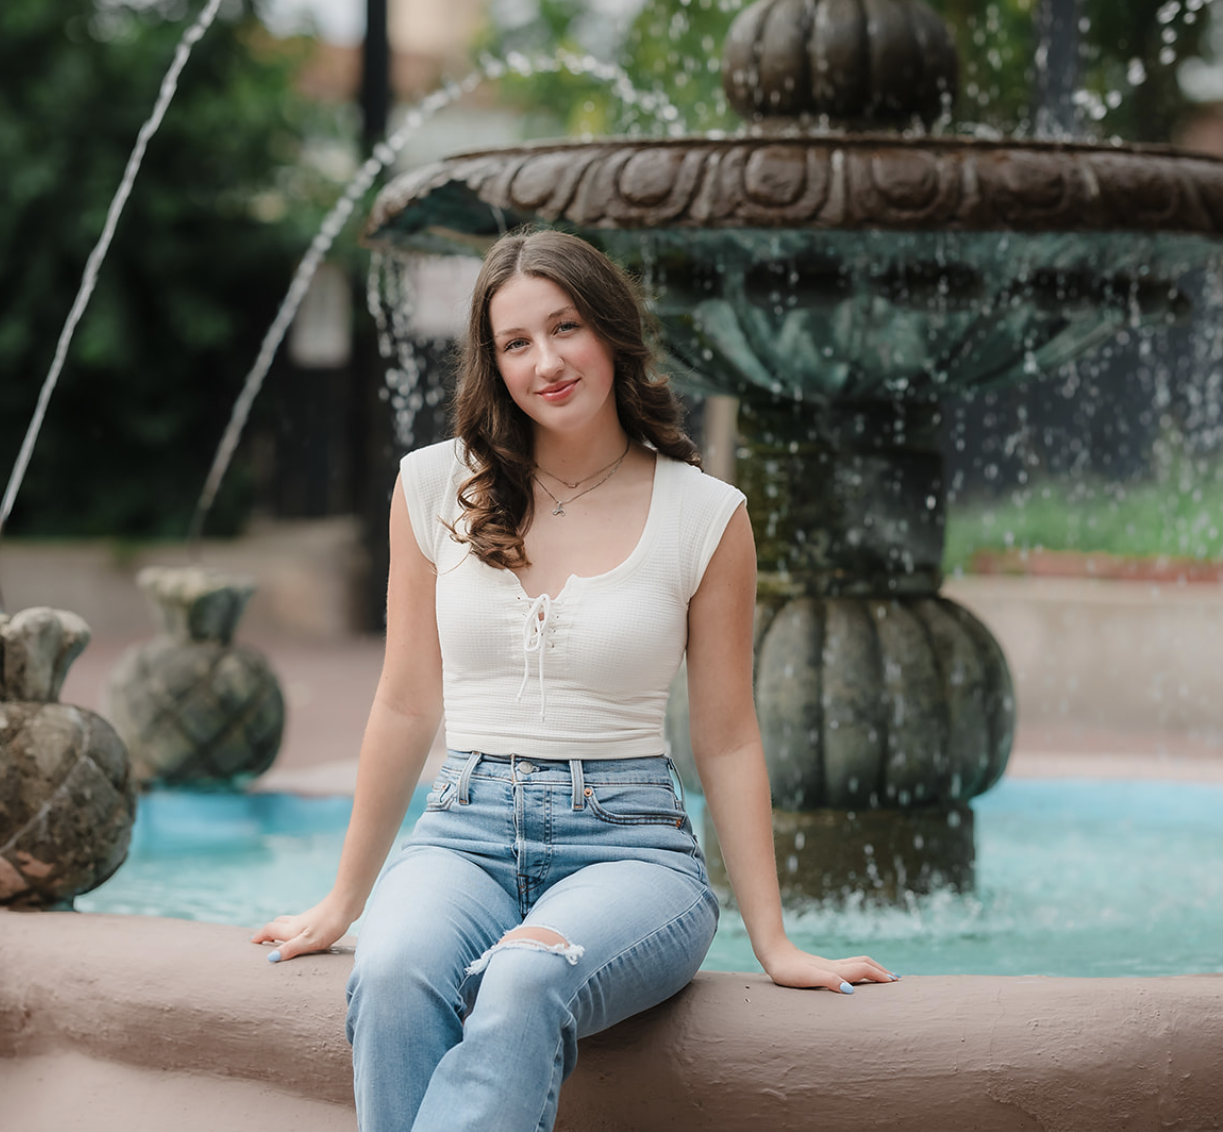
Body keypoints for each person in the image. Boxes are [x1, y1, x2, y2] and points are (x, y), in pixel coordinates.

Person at [252, 229, 895, 1132]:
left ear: (612, 331)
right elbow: (404, 701)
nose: (545, 362)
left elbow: (728, 736)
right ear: (493, 362)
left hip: (630, 844)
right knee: (392, 971)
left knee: (526, 975)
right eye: (516, 343)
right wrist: (342, 900)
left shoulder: (706, 514)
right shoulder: (433, 486)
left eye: (566, 328)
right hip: (462, 829)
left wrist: (774, 940)